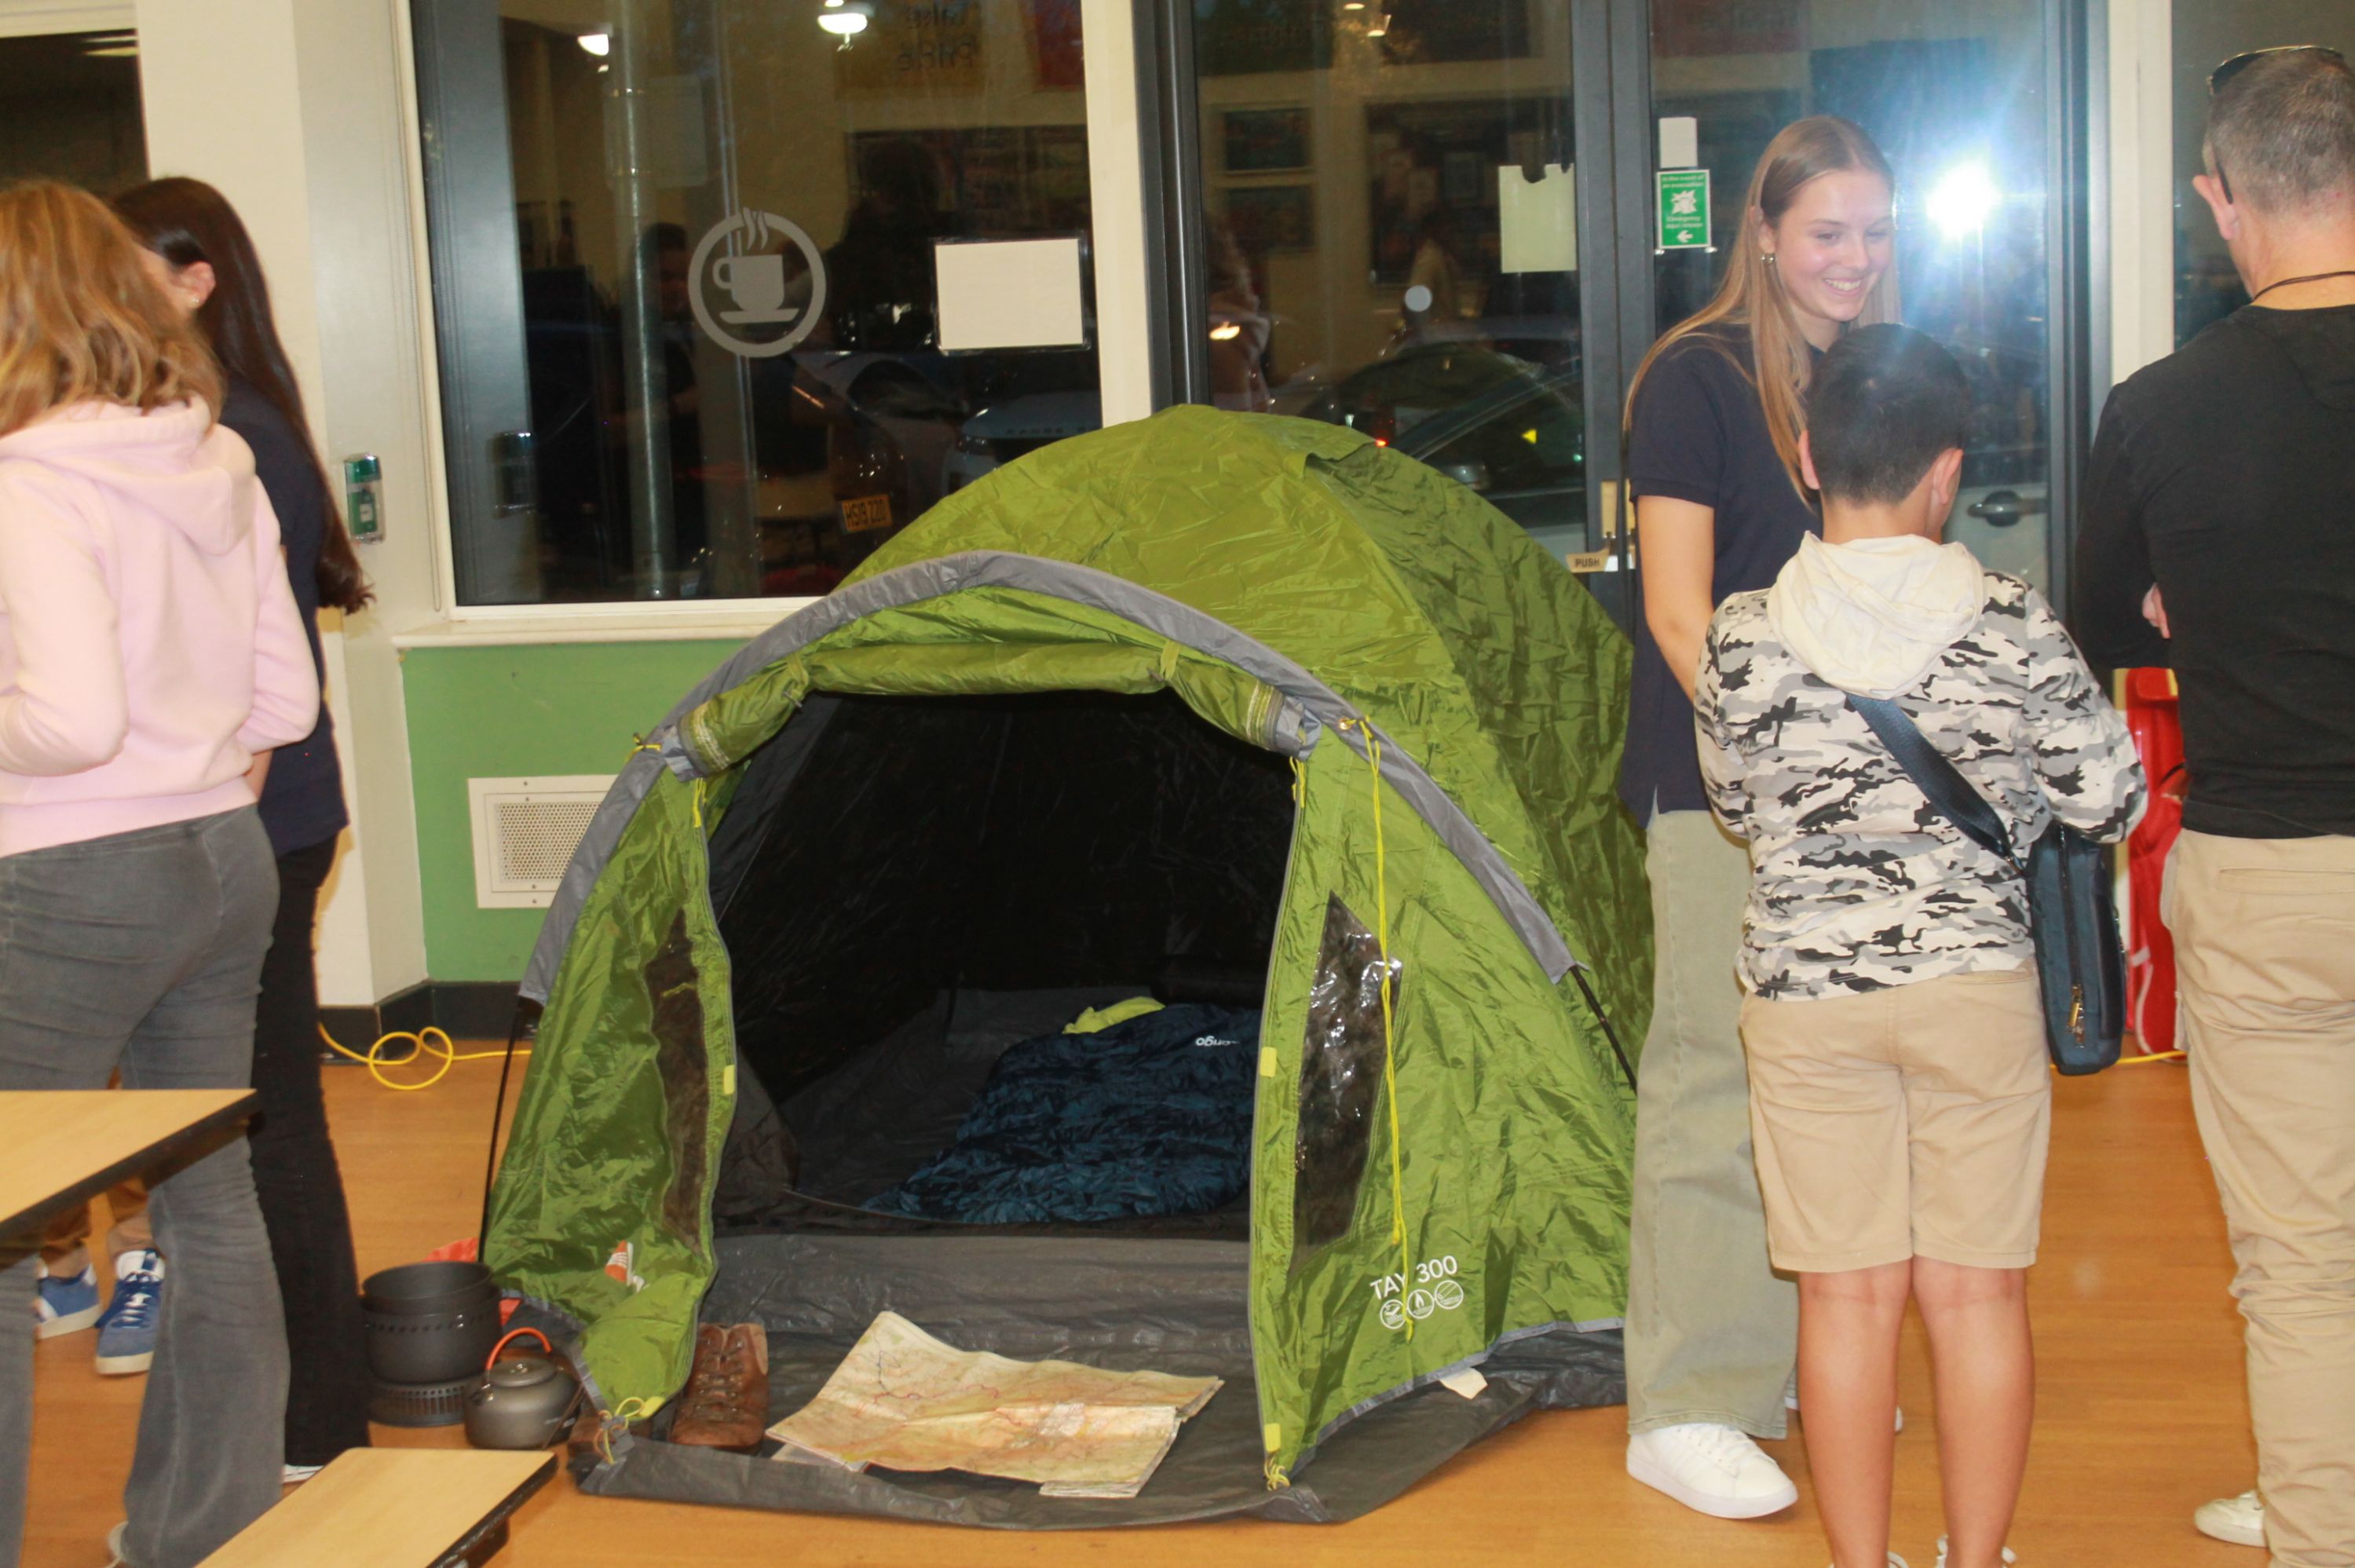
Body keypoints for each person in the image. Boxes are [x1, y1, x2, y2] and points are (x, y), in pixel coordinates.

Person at [1695, 323, 2145, 1568]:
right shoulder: (2010, 621)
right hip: (1971, 993)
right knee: (1976, 1292)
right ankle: (1977, 1553)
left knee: (1846, 1298)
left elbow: (1736, 804)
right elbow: (2109, 796)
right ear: (1948, 472)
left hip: (1802, 998)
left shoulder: (1741, 632)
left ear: (1805, 455)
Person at [0, 180, 315, 1566]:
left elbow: (68, 723)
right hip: (219, 860)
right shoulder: (217, 458)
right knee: (209, 1199)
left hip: (65, 882)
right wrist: (192, 793)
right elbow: (284, 706)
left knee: (10, 1228)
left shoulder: (25, 483)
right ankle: (206, 1531)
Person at [2074, 46, 2355, 1567]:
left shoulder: (2161, 406)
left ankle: (2325, 1515)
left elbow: (2102, 620)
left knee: (2304, 1261)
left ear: (2218, 201)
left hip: (2269, 877)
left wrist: (2201, 593)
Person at [1618, 115, 1898, 1519]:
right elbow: (1676, 612)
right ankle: (1683, 1401)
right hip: (1722, 791)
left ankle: (1790, 1354)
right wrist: (1771, 758)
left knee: (1821, 1083)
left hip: (1846, 800)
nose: (1855, 259)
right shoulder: (1697, 381)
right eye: (1829, 232)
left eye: (1876, 232)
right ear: (1767, 233)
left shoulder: (1873, 381)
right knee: (1710, 1080)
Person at [115, 175, 377, 1486]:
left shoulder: (239, 436)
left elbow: (245, 680)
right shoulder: (214, 424)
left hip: (254, 823)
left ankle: (316, 1423)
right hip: (250, 819)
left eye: (128, 269)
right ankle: (303, 1413)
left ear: (196, 278)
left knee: (264, 1123)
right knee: (247, 1122)